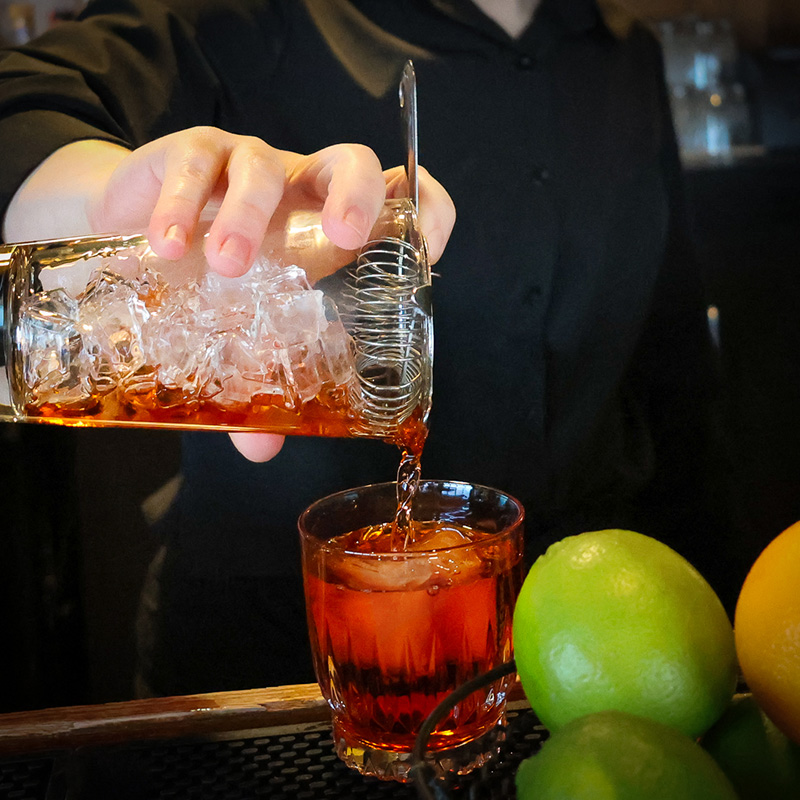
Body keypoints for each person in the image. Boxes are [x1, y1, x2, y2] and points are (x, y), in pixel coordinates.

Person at [0, 0, 744, 697]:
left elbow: (673, 372)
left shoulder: (622, 55)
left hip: (585, 640)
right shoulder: (254, 15)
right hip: (271, 650)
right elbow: (23, 98)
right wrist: (109, 209)